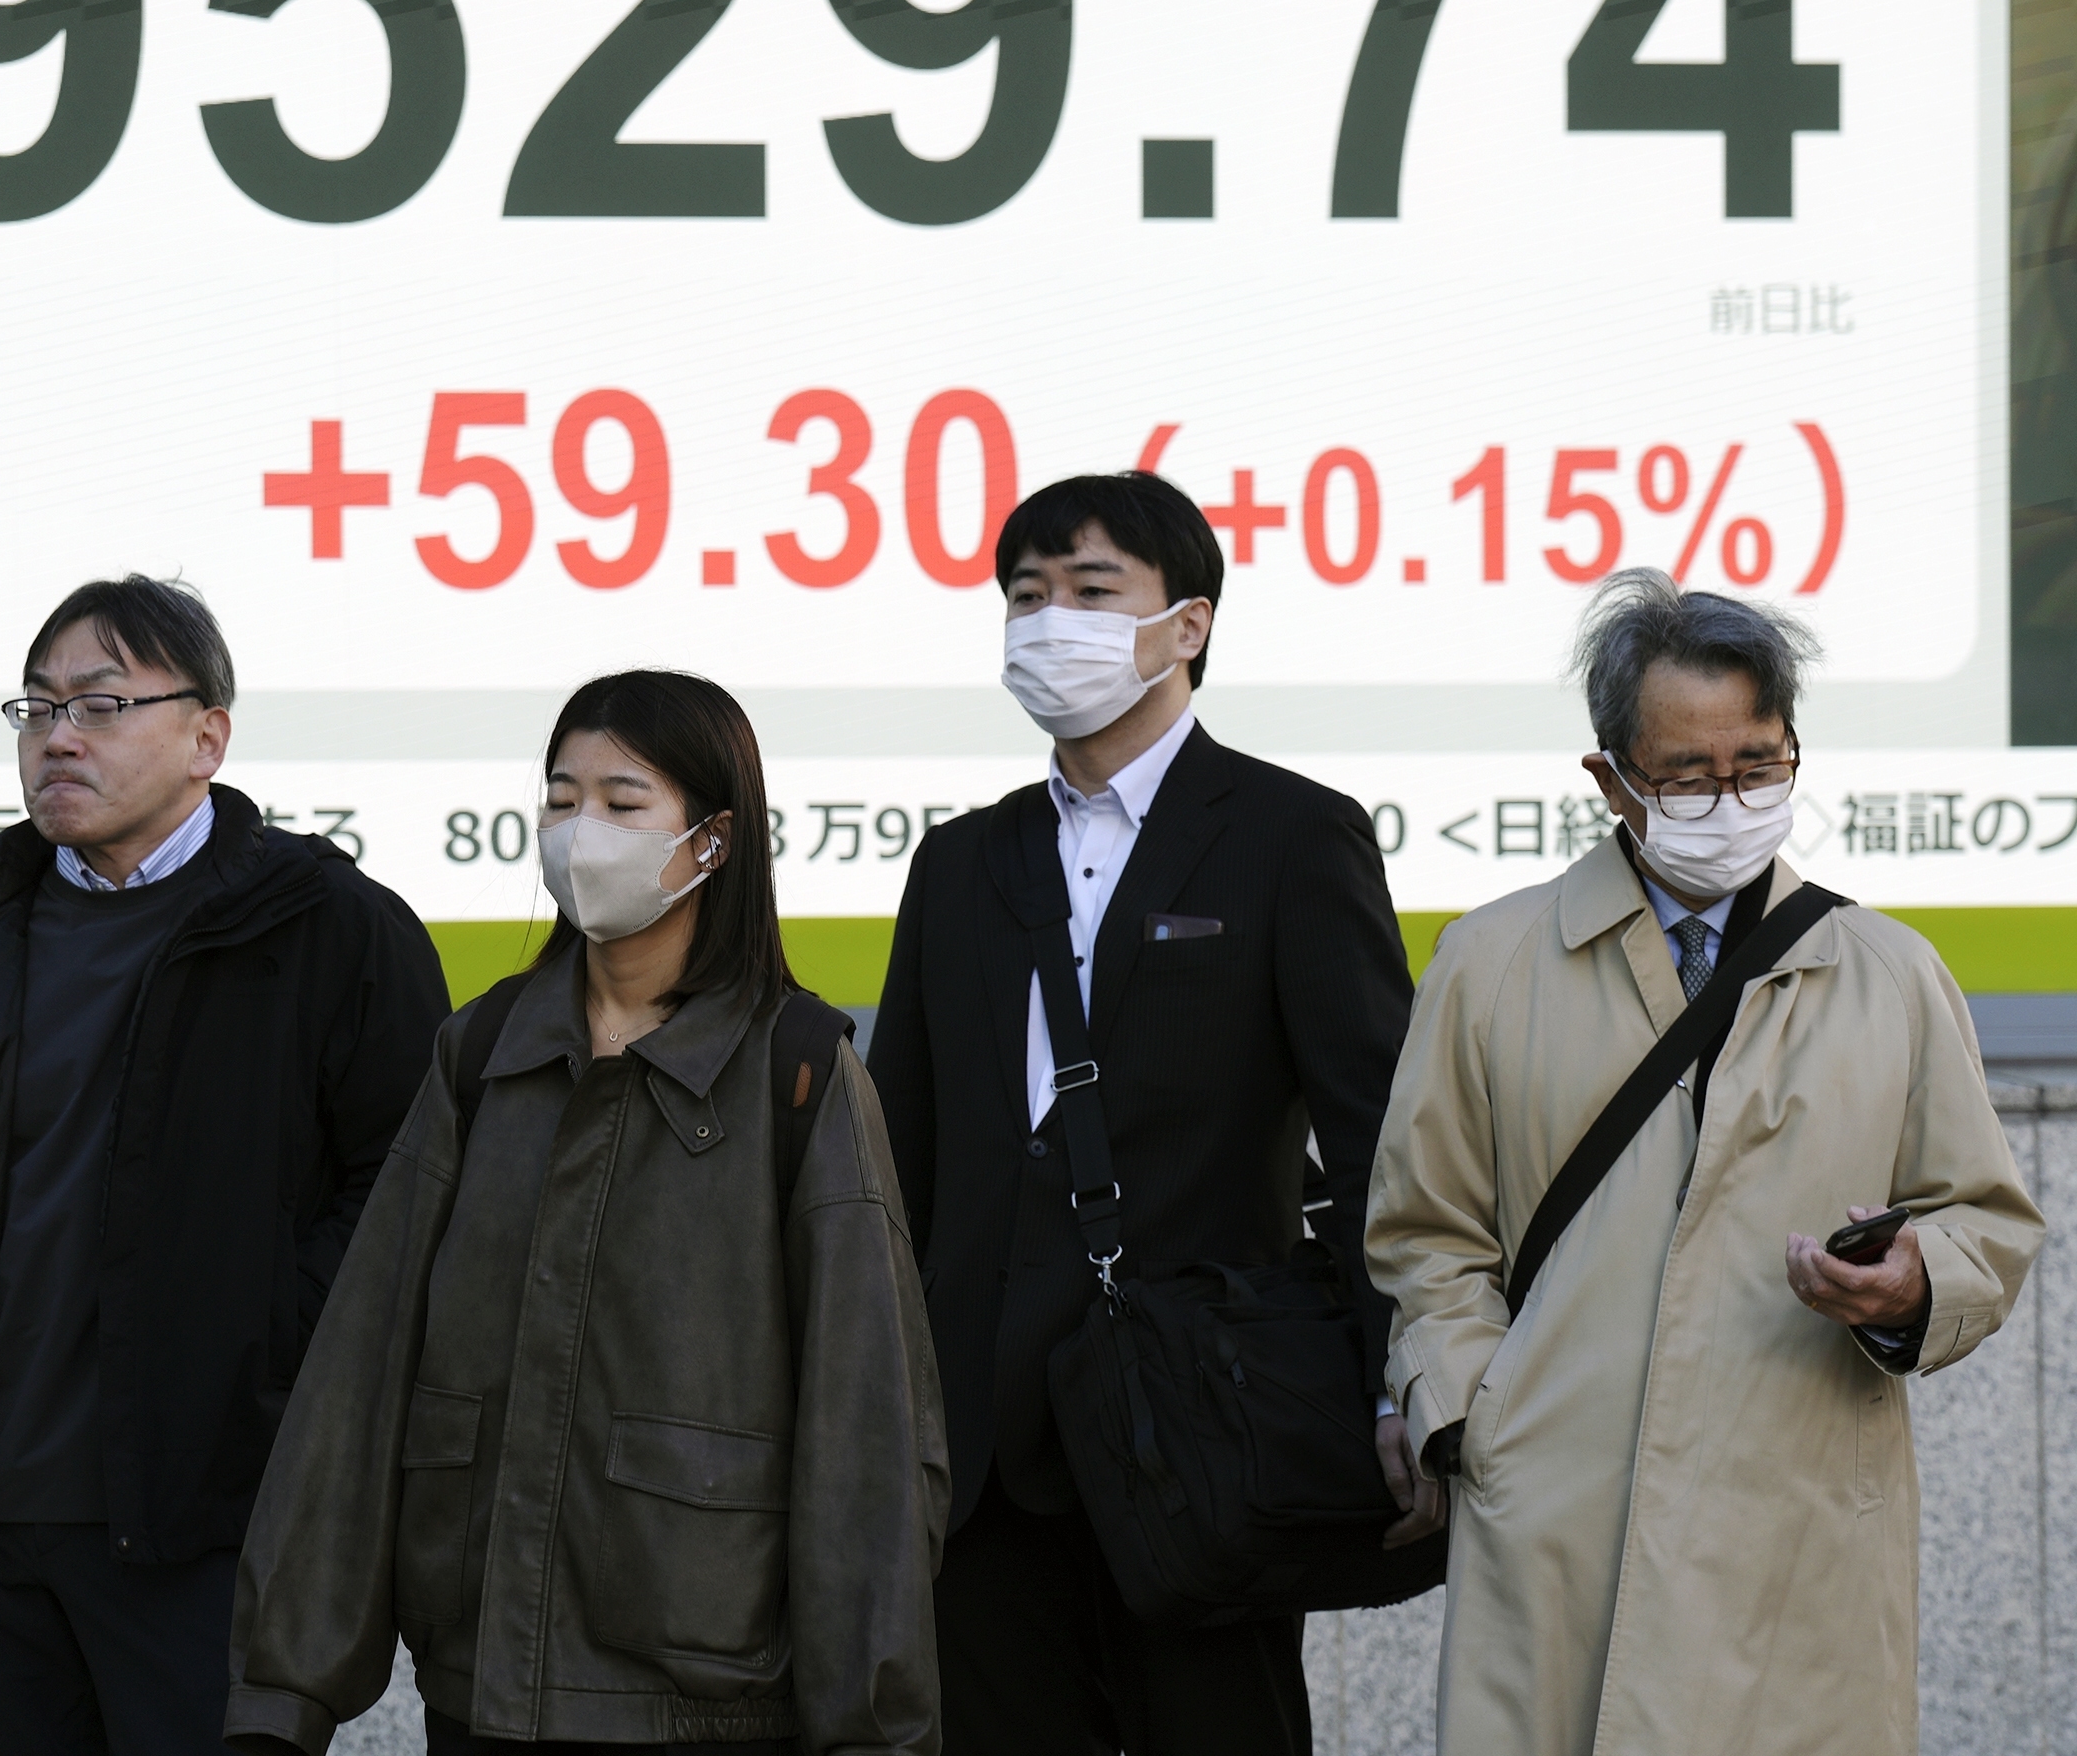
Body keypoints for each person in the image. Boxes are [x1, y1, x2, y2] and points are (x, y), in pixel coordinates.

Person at [1364, 569, 2044, 1755]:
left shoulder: (1887, 970)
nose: (1730, 798)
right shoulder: (1491, 962)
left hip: (1800, 1523)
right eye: (1689, 773)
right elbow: (1427, 1230)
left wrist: (1914, 1281)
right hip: (1561, 1519)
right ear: (1611, 778)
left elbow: (1984, 1215)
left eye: (1761, 763)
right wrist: (1472, 1419)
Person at [226, 670, 948, 1756]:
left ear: (712, 840)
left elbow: (869, 1431)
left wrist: (872, 1731)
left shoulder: (797, 1072)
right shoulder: (482, 1053)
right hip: (482, 1687)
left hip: (707, 1704)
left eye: (622, 801)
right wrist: (283, 1696)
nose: (580, 832)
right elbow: (358, 1378)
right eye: (561, 799)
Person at [0, 575, 447, 1756]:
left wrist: (263, 1350)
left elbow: (408, 1190)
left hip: (202, 1531)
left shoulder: (326, 926)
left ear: (207, 735)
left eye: (102, 704)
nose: (59, 735)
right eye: (37, 706)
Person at [871, 470, 1427, 1756]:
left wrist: (1401, 1377)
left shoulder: (1293, 835)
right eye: (1024, 594)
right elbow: (898, 1154)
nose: (1047, 618)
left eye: (1088, 587)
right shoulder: (962, 860)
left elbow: (1377, 1137)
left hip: (1199, 1423)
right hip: (983, 1456)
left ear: (1188, 624)